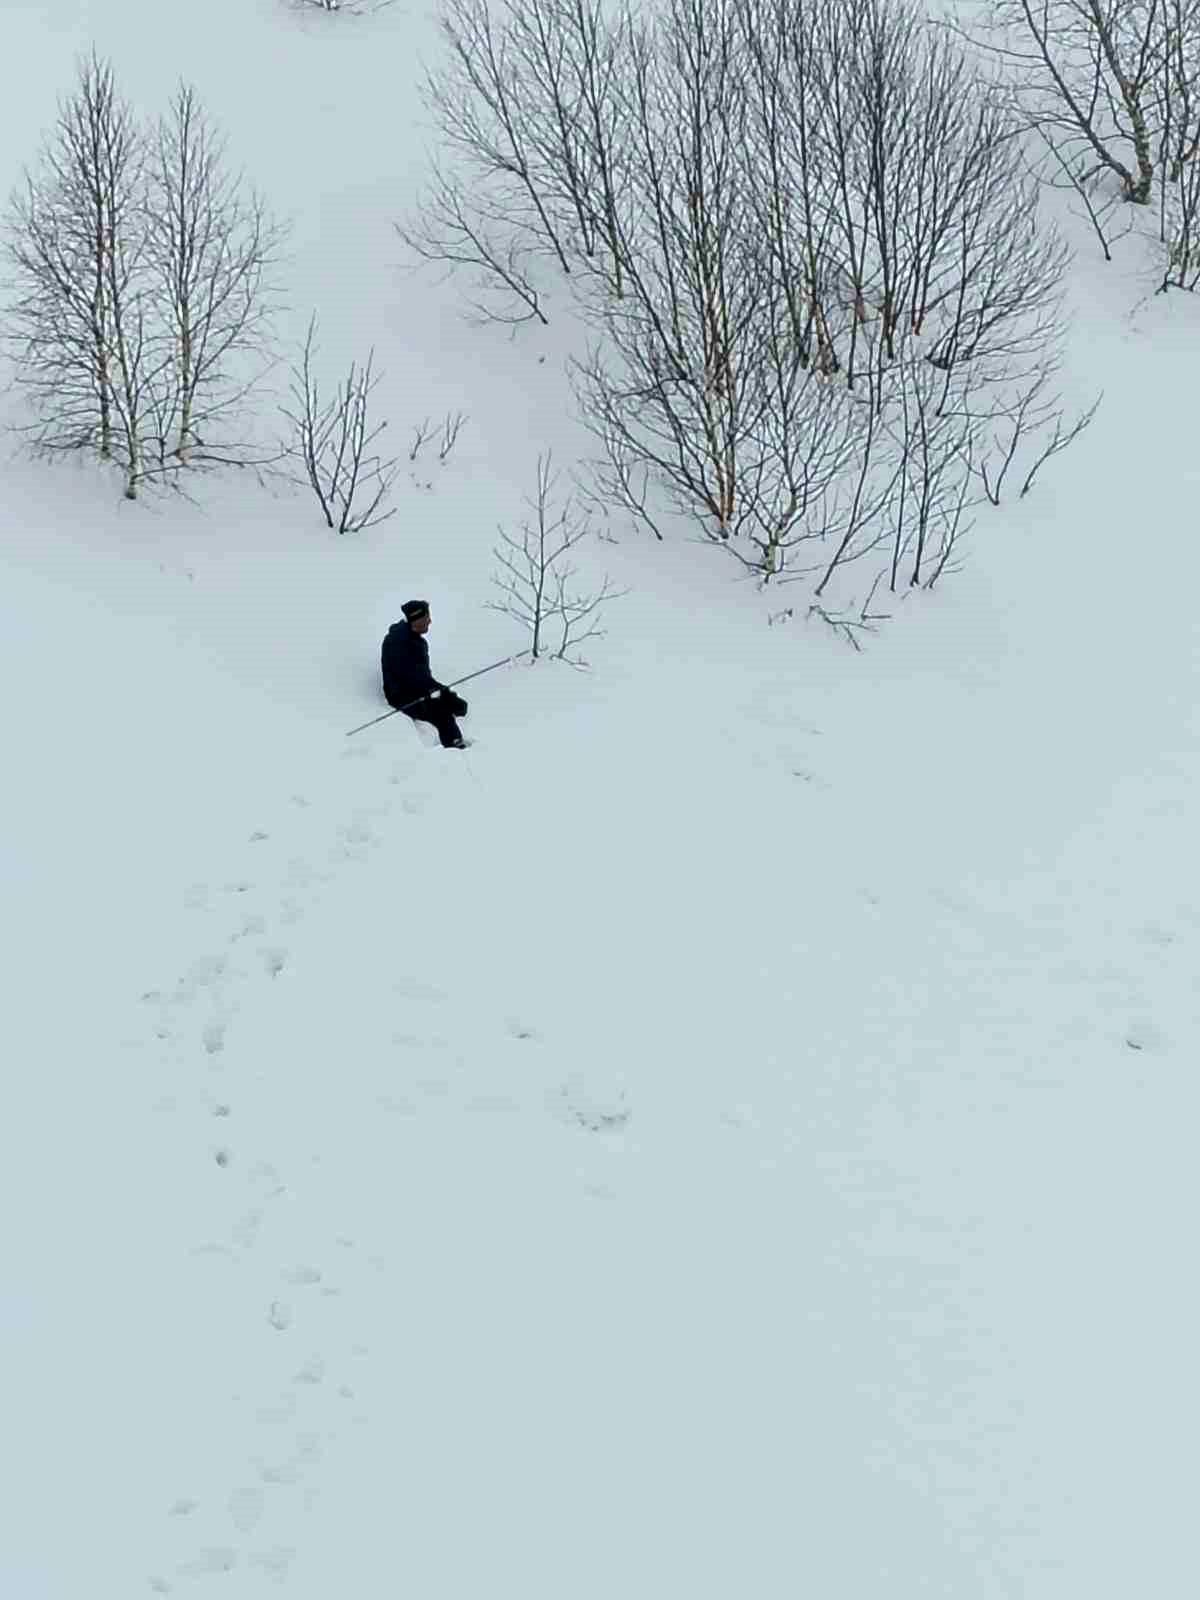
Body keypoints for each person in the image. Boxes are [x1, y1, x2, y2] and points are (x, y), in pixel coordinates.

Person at [380, 600, 469, 749]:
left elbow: (423, 678)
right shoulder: (397, 642)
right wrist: (443, 694)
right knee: (442, 714)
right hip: (401, 695)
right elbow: (414, 679)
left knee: (454, 704)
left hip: (416, 689)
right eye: (427, 618)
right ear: (417, 619)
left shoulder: (415, 640)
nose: (430, 621)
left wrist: (445, 693)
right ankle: (455, 748)